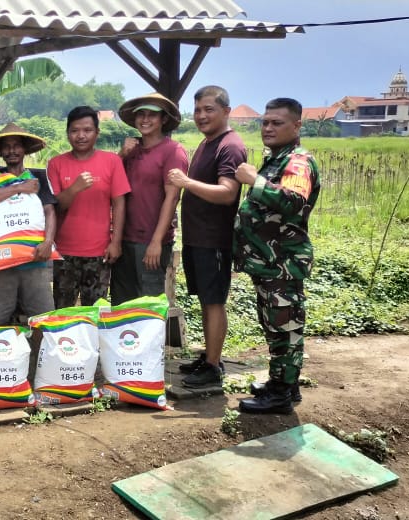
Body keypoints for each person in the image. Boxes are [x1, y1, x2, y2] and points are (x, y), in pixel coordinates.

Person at [234, 98, 320, 413]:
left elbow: (293, 200)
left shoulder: (297, 161)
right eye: (265, 122)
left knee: (285, 327)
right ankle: (282, 382)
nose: (268, 128)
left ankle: (282, 394)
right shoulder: (277, 158)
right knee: (275, 325)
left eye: (277, 123)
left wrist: (253, 181)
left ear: (297, 125)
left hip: (282, 263)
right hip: (269, 263)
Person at [167, 86, 246, 388]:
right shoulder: (208, 143)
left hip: (214, 239)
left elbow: (228, 193)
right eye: (198, 109)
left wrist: (186, 182)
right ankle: (210, 357)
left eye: (209, 109)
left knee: (214, 302)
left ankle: (213, 365)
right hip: (197, 238)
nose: (201, 115)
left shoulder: (230, 146)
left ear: (226, 111)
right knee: (205, 299)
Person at [46, 105, 131, 308]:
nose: (81, 136)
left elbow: (119, 202)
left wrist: (116, 242)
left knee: (96, 312)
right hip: (63, 253)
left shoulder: (111, 161)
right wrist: (74, 188)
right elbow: (56, 207)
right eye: (75, 131)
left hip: (99, 252)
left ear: (97, 133)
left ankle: (93, 342)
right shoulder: (56, 164)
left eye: (87, 130)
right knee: (63, 311)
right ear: (67, 133)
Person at [0, 123, 57, 325]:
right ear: (1, 152)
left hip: (35, 260)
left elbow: (50, 211)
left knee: (44, 319)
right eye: (7, 146)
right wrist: (20, 187)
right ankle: (1, 354)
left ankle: (40, 356)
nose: (11, 150)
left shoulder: (38, 178)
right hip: (2, 263)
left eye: (16, 145)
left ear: (24, 149)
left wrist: (48, 242)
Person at [112, 93, 188, 304]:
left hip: (151, 242)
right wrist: (121, 154)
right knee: (121, 305)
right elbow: (111, 184)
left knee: (148, 307)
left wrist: (156, 242)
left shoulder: (173, 151)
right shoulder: (131, 151)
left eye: (152, 115)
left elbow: (172, 198)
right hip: (124, 239)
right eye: (141, 115)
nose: (145, 120)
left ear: (163, 119)